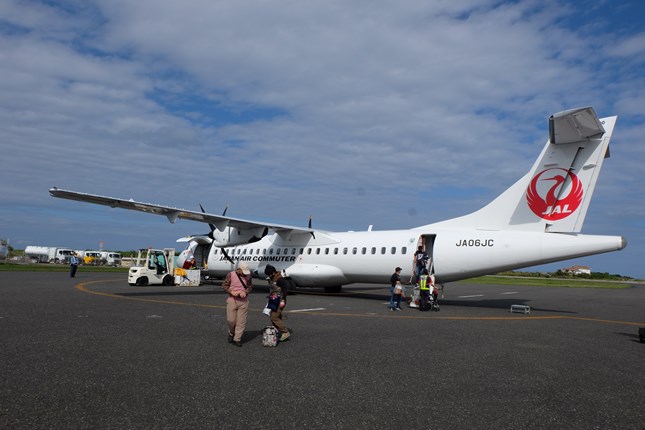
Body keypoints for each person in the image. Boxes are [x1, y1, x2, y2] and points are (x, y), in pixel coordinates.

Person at [221, 263, 253, 347]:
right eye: (243, 271)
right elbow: (224, 285)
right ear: (238, 269)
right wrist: (231, 291)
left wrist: (245, 292)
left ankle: (237, 339)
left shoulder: (248, 275)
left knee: (241, 322)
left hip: (244, 301)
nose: (245, 274)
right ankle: (231, 333)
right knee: (231, 321)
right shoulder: (231, 274)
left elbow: (250, 287)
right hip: (232, 300)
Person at [268, 271, 290, 342]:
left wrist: (283, 299)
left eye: (269, 274)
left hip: (280, 301)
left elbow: (285, 289)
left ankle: (285, 332)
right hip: (274, 300)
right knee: (273, 315)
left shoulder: (280, 279)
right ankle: (277, 330)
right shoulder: (272, 278)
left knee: (274, 317)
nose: (269, 275)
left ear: (273, 272)